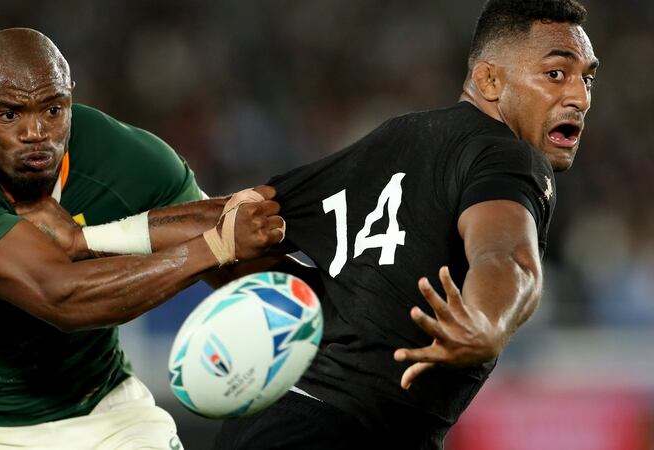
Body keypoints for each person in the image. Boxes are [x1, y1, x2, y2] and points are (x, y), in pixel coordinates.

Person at [212, 0, 599, 448]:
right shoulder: (511, 156)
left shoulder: (390, 139)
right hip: (347, 432)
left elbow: (230, 225)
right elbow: (505, 256)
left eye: (587, 78)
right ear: (489, 79)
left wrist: (144, 236)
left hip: (271, 418)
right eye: (557, 74)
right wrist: (487, 320)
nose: (581, 96)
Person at [0, 28, 286, 450]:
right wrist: (214, 247)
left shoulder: (124, 155)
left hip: (109, 415)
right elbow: (59, 296)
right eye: (10, 114)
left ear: (71, 99)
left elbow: (241, 256)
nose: (36, 132)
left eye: (53, 109)